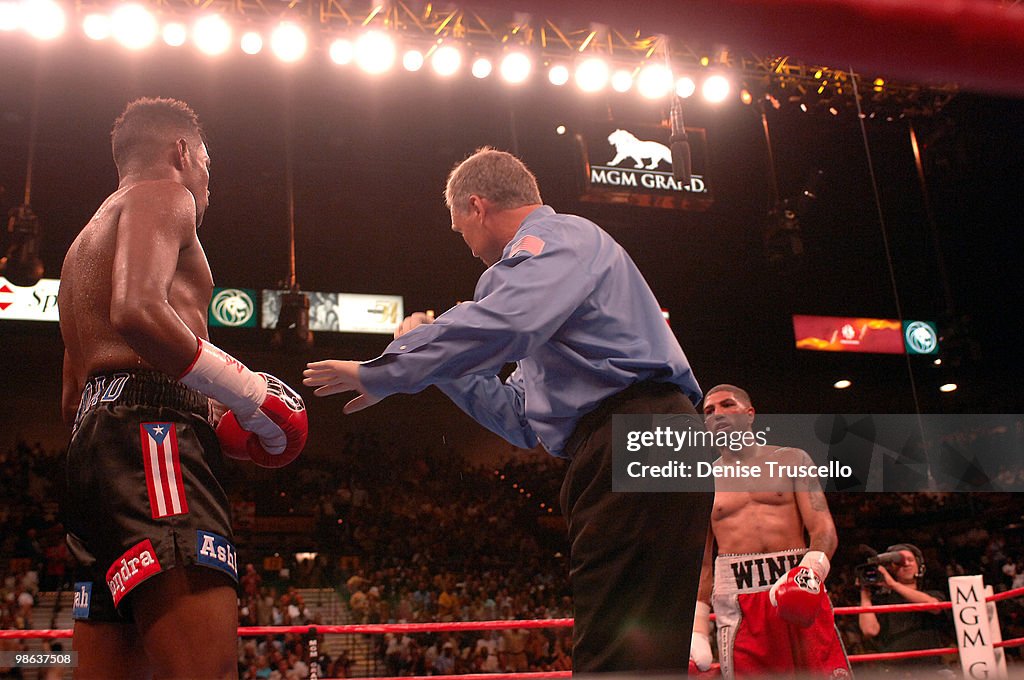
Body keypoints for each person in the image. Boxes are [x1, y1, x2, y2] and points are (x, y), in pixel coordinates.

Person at [304, 147, 713, 673]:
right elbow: (522, 417)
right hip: (645, 437)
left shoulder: (561, 238)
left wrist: (390, 367)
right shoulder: (553, 291)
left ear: (476, 206)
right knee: (644, 650)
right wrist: (433, 364)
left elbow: (505, 322)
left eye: (460, 230)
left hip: (638, 434)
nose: (471, 250)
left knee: (617, 649)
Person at [58, 97, 306, 678]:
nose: (207, 184)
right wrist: (244, 390)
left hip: (93, 455)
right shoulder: (167, 197)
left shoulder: (79, 249)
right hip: (153, 436)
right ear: (182, 152)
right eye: (208, 166)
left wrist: (210, 407)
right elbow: (138, 310)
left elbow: (73, 398)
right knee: (204, 669)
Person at [693, 384, 851, 679]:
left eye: (727, 405)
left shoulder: (793, 460)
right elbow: (702, 563)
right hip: (739, 598)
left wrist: (810, 573)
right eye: (710, 411)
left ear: (750, 414)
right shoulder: (703, 482)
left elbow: (823, 528)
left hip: (798, 583)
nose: (718, 414)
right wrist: (698, 628)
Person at [858, 543, 949, 674]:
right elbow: (869, 631)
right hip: (894, 672)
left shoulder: (933, 594)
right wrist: (864, 591)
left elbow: (934, 606)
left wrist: (893, 585)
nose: (906, 564)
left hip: (927, 670)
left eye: (910, 560)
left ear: (919, 566)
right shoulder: (881, 600)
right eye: (899, 562)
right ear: (890, 569)